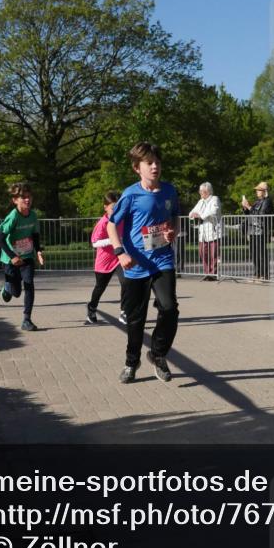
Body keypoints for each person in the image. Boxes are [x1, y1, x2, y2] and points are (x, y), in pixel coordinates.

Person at [107, 142, 180, 384]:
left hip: (162, 259)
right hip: (135, 264)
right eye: (149, 163)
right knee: (136, 318)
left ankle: (158, 354)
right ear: (137, 168)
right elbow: (111, 224)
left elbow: (174, 218)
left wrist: (173, 233)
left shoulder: (170, 191)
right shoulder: (130, 194)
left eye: (157, 162)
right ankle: (131, 362)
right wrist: (120, 252)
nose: (155, 166)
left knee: (169, 308)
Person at [0, 182, 46, 332]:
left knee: (29, 283)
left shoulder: (33, 215)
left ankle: (27, 319)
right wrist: (12, 257)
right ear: (15, 200)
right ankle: (7, 287)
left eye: (29, 197)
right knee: (16, 292)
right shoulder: (13, 216)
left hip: (27, 256)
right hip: (10, 258)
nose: (27, 200)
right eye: (23, 197)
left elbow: (35, 235)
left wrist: (38, 251)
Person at [85, 191, 124, 325]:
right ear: (105, 207)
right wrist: (113, 240)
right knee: (100, 287)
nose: (116, 210)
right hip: (105, 260)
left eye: (118, 207)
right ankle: (92, 308)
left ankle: (124, 312)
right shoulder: (103, 223)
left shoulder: (123, 219)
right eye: (113, 207)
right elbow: (95, 243)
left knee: (127, 283)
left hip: (120, 258)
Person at [189, 182, 222, 281]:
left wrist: (200, 215)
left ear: (207, 191)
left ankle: (213, 274)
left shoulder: (214, 199)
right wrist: (194, 214)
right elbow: (191, 212)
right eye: (200, 191)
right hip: (202, 232)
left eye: (201, 191)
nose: (200, 193)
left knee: (214, 254)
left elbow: (213, 211)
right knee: (203, 253)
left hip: (213, 230)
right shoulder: (200, 201)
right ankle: (207, 272)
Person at [241, 181, 273, 280]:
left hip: (261, 231)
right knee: (254, 254)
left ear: (264, 191)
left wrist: (249, 207)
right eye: (257, 190)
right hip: (253, 230)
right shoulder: (257, 202)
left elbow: (261, 215)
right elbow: (250, 214)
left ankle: (264, 275)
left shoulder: (267, 201)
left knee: (262, 254)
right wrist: (245, 207)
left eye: (259, 190)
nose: (257, 192)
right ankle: (257, 274)